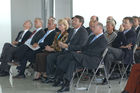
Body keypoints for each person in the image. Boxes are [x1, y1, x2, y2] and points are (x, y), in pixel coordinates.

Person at [54, 22, 108, 93]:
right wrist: (80, 51)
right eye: (92, 27)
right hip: (84, 57)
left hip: (93, 60)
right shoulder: (92, 37)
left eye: (94, 27)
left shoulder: (103, 39)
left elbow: (95, 52)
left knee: (71, 54)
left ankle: (59, 76)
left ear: (100, 28)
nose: (92, 28)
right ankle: (66, 84)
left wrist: (81, 52)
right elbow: (84, 47)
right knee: (72, 62)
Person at [42, 15, 88, 83]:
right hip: (66, 50)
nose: (73, 22)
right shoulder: (72, 30)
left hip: (74, 52)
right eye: (73, 20)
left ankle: (59, 78)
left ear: (80, 23)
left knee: (59, 58)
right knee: (50, 57)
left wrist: (67, 46)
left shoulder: (83, 32)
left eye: (75, 21)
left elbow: (81, 46)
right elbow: (68, 41)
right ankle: (50, 76)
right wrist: (62, 44)